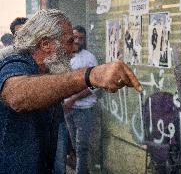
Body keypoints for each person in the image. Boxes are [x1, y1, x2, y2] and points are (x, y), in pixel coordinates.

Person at [0, 9, 142, 174]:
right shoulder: (16, 63)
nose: (73, 49)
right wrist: (89, 75)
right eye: (69, 42)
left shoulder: (47, 71)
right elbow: (18, 96)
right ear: (45, 44)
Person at [64, 25, 99, 174]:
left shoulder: (89, 57)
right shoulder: (63, 57)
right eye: (75, 37)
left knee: (82, 145)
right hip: (66, 109)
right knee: (73, 145)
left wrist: (75, 98)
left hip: (84, 109)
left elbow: (96, 84)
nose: (77, 41)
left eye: (81, 38)